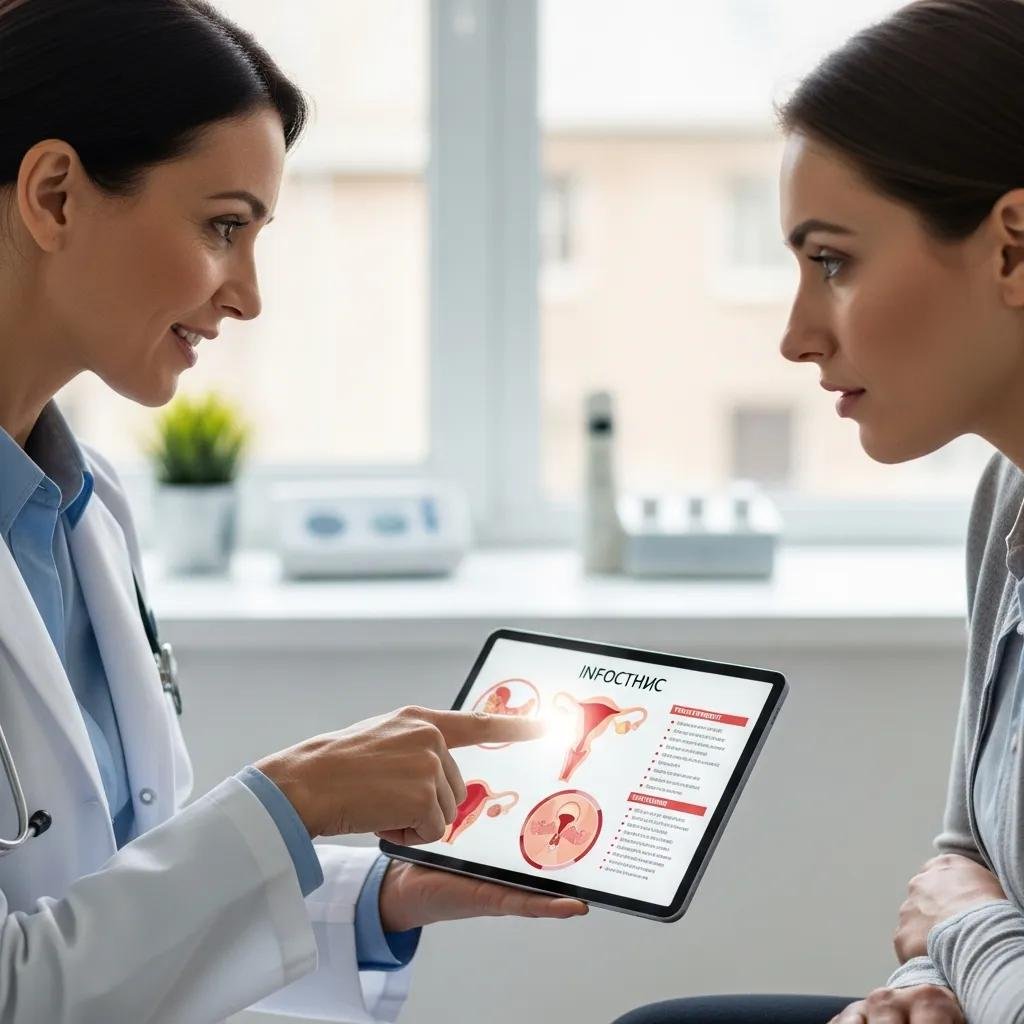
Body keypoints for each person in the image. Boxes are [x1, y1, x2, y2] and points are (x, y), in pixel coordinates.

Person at [0, 1, 588, 1021]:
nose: (249, 295)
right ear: (55, 195)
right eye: (224, 226)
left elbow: (121, 909)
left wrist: (383, 899)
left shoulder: (84, 513)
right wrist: (288, 800)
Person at [613, 1, 1024, 1021]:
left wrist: (958, 942)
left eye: (832, 262)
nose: (797, 338)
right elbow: (963, 858)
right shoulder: (1005, 496)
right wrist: (918, 991)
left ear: (1012, 248)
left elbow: (960, 908)